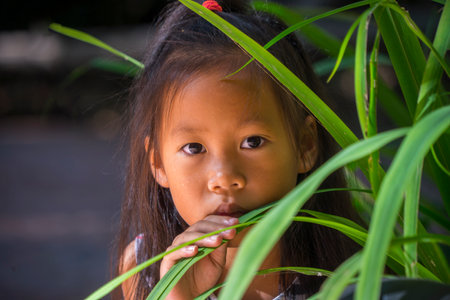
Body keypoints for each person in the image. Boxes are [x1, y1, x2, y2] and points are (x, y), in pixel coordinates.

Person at [115, 0, 361, 299]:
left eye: (252, 142)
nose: (225, 177)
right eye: (194, 148)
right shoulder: (142, 267)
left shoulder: (348, 280)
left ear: (305, 145)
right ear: (158, 163)